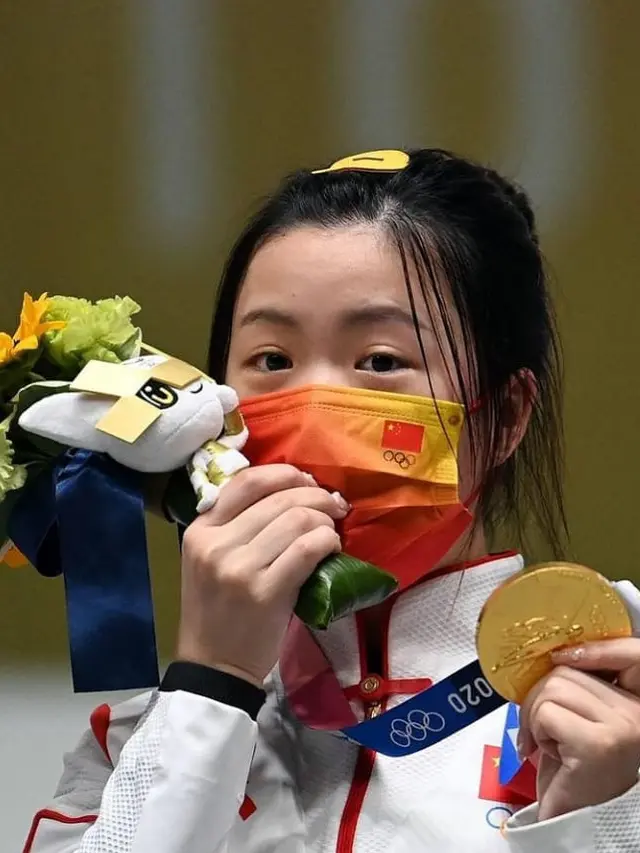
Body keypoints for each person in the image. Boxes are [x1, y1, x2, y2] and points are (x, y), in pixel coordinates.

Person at [25, 149, 640, 853]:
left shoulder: (618, 695)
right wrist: (210, 690)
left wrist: (603, 822)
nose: (313, 412)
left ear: (505, 414)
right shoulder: (134, 748)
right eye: (272, 361)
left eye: (380, 361)